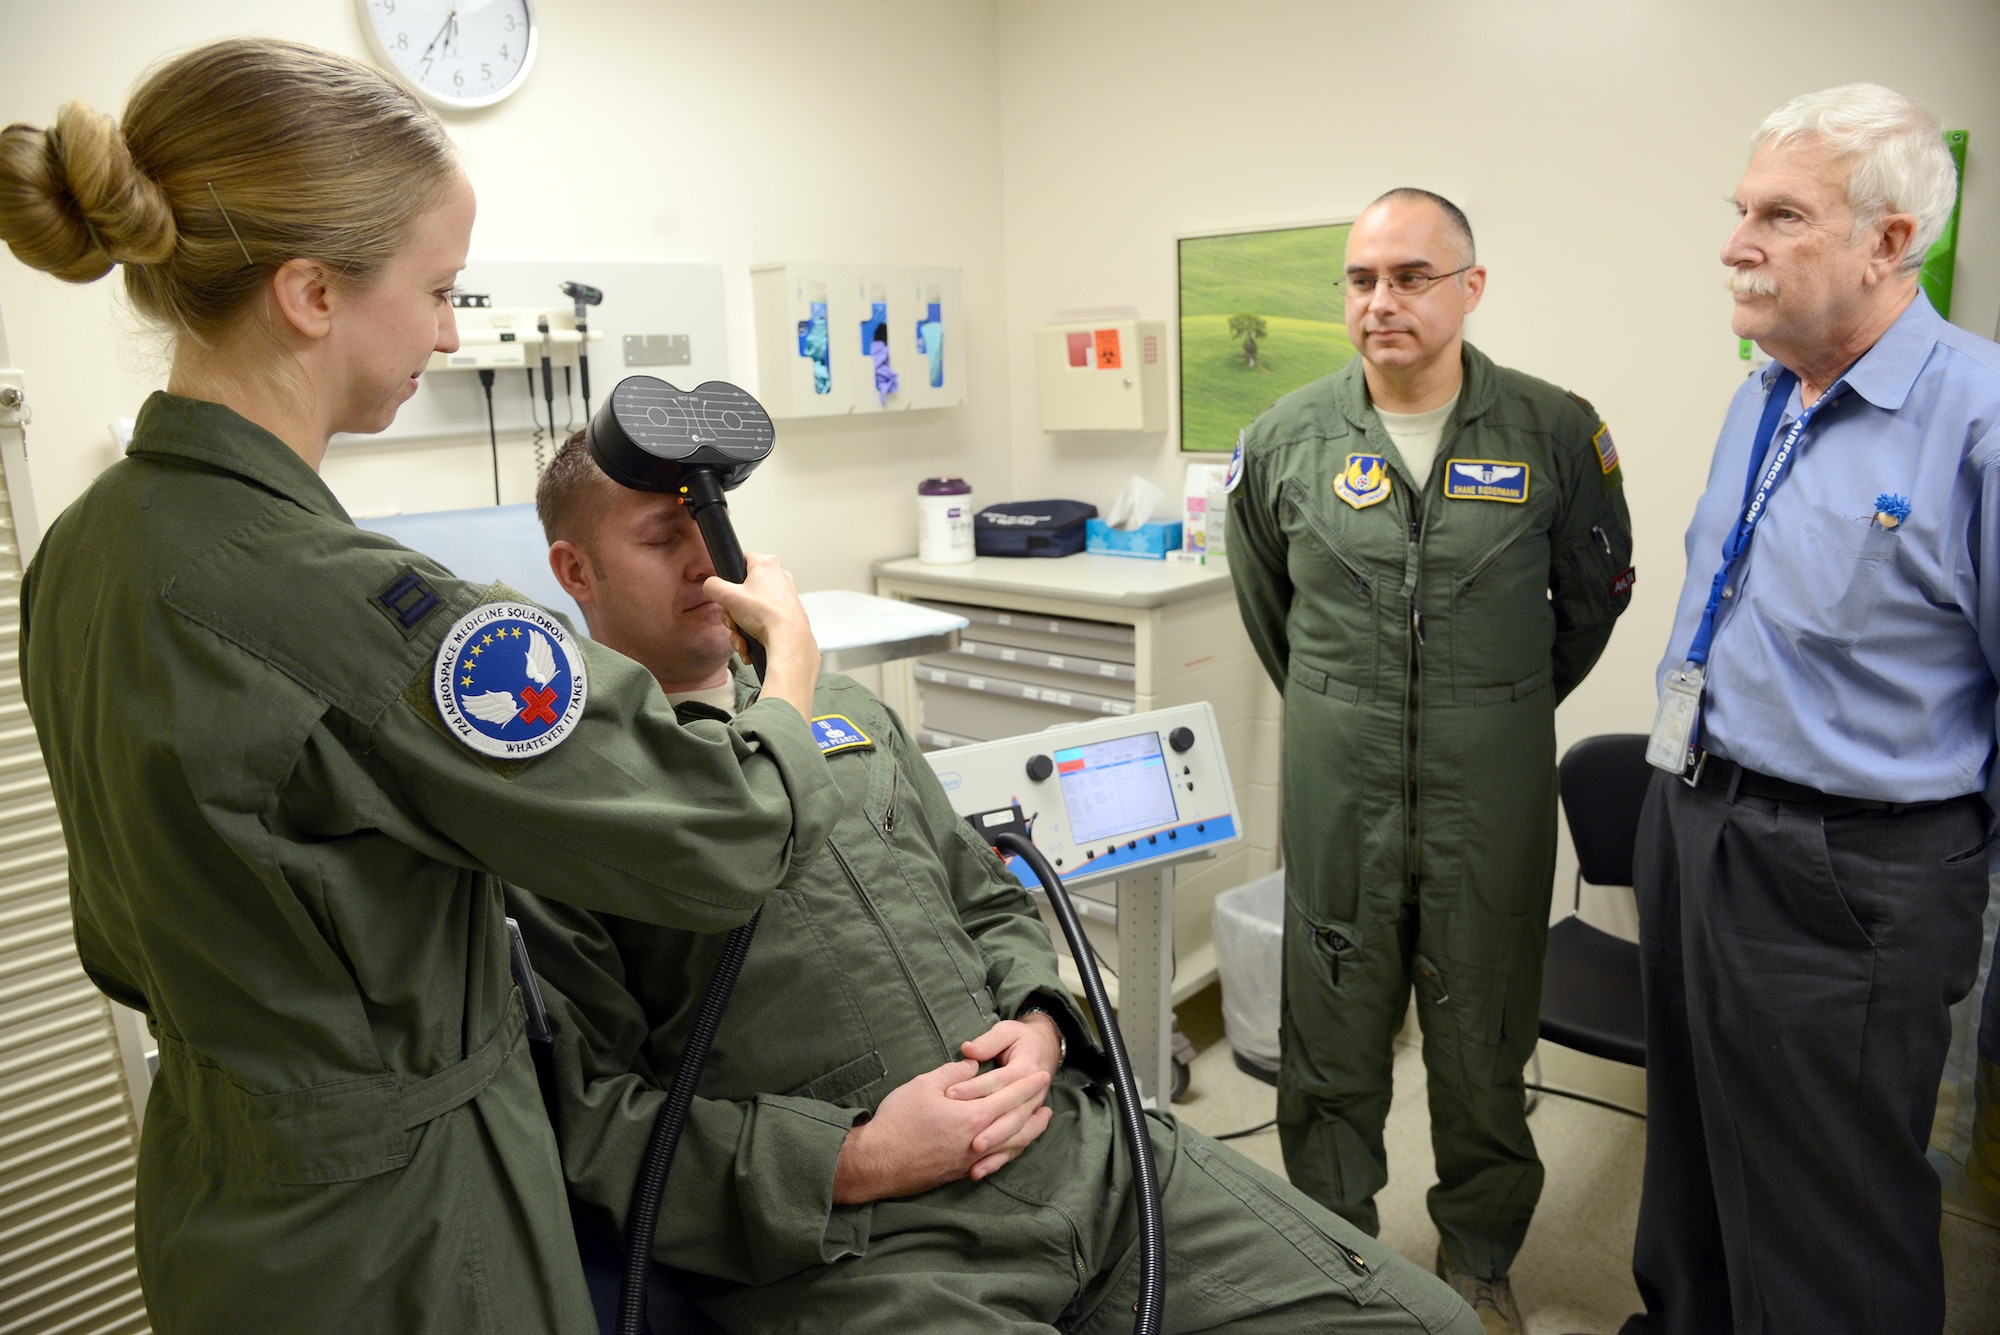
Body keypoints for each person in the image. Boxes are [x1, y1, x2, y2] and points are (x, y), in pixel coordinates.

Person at [0, 39, 838, 1334]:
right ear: (310, 293)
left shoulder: (82, 550)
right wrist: (785, 674)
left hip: (219, 1199)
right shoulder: (352, 606)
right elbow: (723, 835)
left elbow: (120, 941)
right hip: (403, 1233)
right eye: (441, 288)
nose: (452, 331)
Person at [506, 430, 1482, 1335]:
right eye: (660, 536)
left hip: (1074, 1149)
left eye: (710, 522)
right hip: (871, 1249)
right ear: (574, 571)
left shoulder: (844, 711)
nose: (704, 558)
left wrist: (1041, 1020)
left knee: (1422, 1321)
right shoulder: (569, 806)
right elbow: (594, 1126)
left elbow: (986, 896)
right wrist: (856, 1162)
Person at [1227, 188, 1635, 1333]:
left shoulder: (1553, 431)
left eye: (1410, 276)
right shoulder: (1285, 442)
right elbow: (1272, 614)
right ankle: (1329, 1254)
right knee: (1329, 1037)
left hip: (1487, 794)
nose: (1381, 302)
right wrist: (1353, 707)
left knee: (1481, 1041)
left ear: (1469, 287)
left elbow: (1588, 605)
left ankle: (1478, 1256)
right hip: (1336, 790)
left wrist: (1482, 710)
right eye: (1360, 280)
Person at [1628, 84, 1998, 1335]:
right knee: (1684, 1152)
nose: (1732, 244)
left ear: (1889, 242)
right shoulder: (1762, 392)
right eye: (1738, 211)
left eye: (1778, 216)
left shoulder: (1980, 419)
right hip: (1692, 817)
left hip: (1848, 872)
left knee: (1830, 1208)